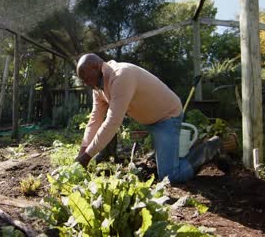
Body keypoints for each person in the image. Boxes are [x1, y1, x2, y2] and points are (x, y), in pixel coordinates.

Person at [74, 53, 225, 182]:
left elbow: (113, 122)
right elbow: (95, 119)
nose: (86, 83)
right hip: (150, 119)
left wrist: (87, 157)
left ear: (96, 67)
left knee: (169, 176)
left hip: (167, 116)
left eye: (86, 78)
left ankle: (211, 147)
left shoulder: (121, 75)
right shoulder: (97, 87)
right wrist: (83, 151)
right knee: (156, 162)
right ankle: (166, 153)